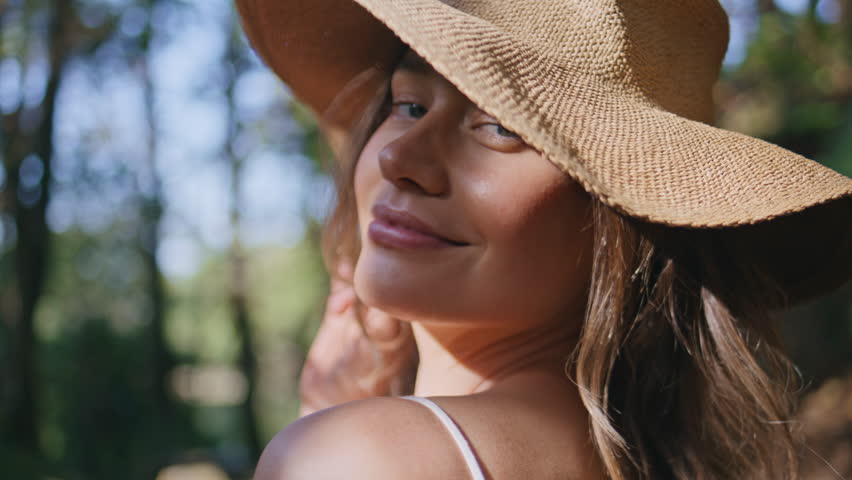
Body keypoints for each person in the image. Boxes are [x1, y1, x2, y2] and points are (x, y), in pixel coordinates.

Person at [236, 0, 852, 478]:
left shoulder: (355, 459)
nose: (402, 156)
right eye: (408, 105)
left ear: (624, 220)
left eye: (500, 127)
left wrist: (320, 433)